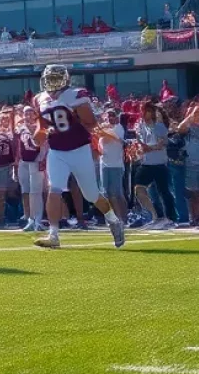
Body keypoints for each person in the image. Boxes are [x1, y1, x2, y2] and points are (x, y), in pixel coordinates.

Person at [33, 65, 125, 250]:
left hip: (79, 149)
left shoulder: (76, 95)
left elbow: (92, 123)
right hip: (57, 150)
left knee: (91, 195)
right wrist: (40, 134)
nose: (51, 83)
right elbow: (39, 131)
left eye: (55, 78)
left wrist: (76, 115)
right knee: (54, 188)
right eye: (49, 78)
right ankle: (53, 235)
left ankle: (113, 220)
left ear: (65, 79)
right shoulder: (39, 99)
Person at [132, 101, 177, 230]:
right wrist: (146, 148)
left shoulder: (160, 127)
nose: (145, 113)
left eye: (148, 111)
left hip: (159, 164)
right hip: (146, 163)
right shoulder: (140, 127)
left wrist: (149, 148)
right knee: (139, 190)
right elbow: (142, 145)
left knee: (164, 192)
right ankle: (154, 216)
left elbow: (161, 144)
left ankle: (170, 219)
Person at [175, 102, 199, 228]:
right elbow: (179, 128)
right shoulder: (188, 129)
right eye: (196, 113)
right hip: (191, 163)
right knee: (192, 193)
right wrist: (191, 115)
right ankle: (195, 217)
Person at [16, 105, 46, 232]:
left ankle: (38, 220)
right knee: (26, 191)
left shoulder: (40, 128)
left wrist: (42, 159)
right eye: (25, 113)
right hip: (24, 162)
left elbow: (44, 145)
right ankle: (30, 219)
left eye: (30, 113)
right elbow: (19, 145)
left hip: (36, 160)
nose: (27, 116)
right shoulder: (21, 128)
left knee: (36, 192)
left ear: (35, 115)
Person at [97, 106, 128, 227]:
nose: (110, 118)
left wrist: (101, 130)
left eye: (113, 115)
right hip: (104, 164)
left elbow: (110, 138)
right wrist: (101, 130)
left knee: (118, 193)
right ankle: (113, 219)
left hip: (116, 165)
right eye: (108, 115)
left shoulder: (119, 128)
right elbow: (100, 142)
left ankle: (123, 218)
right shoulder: (104, 128)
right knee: (106, 193)